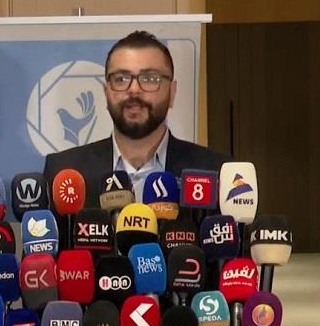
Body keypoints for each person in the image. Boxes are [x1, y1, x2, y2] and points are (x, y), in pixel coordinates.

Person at [44, 30, 231, 207]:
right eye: (121, 79)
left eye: (149, 78)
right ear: (106, 92)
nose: (134, 90)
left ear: (172, 92)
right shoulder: (64, 172)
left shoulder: (216, 172)